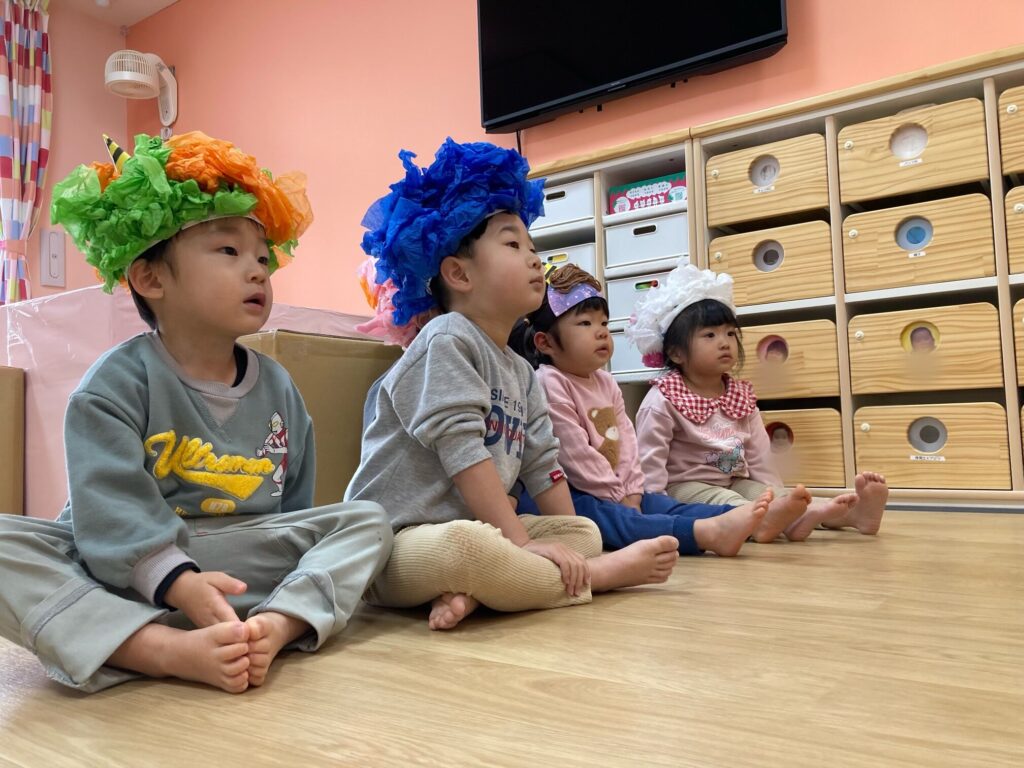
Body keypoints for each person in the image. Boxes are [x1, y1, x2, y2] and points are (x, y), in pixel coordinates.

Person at [0, 132, 392, 693]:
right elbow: (107, 509)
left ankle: (276, 626)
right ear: (150, 278)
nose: (258, 271)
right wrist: (179, 583)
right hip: (123, 569)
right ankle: (157, 649)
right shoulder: (115, 385)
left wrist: (289, 567)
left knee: (367, 520)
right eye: (229, 251)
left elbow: (294, 515)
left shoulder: (280, 388)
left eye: (263, 258)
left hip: (239, 568)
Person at [346, 139, 680, 631]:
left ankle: (486, 592)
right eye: (512, 245)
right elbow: (463, 452)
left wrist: (561, 534)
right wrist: (523, 544)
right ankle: (595, 577)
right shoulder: (446, 338)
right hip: (393, 544)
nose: (534, 260)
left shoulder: (521, 370)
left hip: (475, 527)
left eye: (533, 248)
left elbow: (543, 466)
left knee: (583, 533)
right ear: (458, 273)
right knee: (469, 548)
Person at [510, 263, 773, 555]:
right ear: (545, 342)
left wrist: (634, 491)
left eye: (604, 324)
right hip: (567, 493)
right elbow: (575, 455)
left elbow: (628, 442)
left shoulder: (605, 381)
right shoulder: (549, 382)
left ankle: (736, 518)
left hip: (615, 490)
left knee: (662, 504)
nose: (601, 333)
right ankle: (706, 533)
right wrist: (619, 496)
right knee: (620, 520)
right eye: (585, 324)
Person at [630, 263, 887, 541]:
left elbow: (760, 455)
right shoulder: (664, 398)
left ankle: (850, 516)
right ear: (676, 353)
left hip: (734, 479)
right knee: (731, 502)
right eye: (710, 335)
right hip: (684, 488)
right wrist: (657, 507)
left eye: (730, 333)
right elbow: (650, 459)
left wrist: (777, 494)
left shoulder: (739, 395)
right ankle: (766, 523)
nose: (725, 342)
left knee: (772, 496)